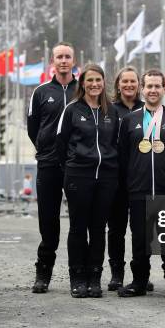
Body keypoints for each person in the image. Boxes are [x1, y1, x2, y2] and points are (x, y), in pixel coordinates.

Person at [118, 68, 165, 296]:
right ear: (142, 88)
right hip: (139, 192)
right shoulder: (130, 120)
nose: (152, 90)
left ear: (164, 88)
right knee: (140, 241)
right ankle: (139, 281)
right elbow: (122, 156)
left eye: (157, 86)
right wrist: (128, 186)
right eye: (148, 86)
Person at [56, 64, 119, 298]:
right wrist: (73, 165)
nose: (94, 84)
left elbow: (116, 144)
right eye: (90, 80)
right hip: (78, 176)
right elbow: (60, 144)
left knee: (98, 229)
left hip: (106, 177)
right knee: (78, 228)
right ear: (82, 83)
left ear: (104, 83)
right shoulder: (72, 110)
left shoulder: (111, 112)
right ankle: (77, 277)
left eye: (98, 80)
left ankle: (94, 278)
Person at [27, 42, 77, 293]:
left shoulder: (84, 90)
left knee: (80, 222)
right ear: (53, 61)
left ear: (74, 60)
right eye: (59, 57)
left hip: (77, 165)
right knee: (48, 220)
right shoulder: (41, 92)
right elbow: (33, 128)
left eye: (68, 56)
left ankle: (78, 275)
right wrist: (47, 149)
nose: (64, 61)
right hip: (48, 164)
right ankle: (43, 273)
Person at [107, 66, 149, 292]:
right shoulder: (110, 110)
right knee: (116, 229)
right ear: (118, 85)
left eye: (133, 82)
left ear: (139, 86)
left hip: (140, 180)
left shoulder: (149, 110)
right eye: (125, 82)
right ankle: (117, 273)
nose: (129, 85)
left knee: (140, 230)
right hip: (116, 179)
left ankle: (140, 274)